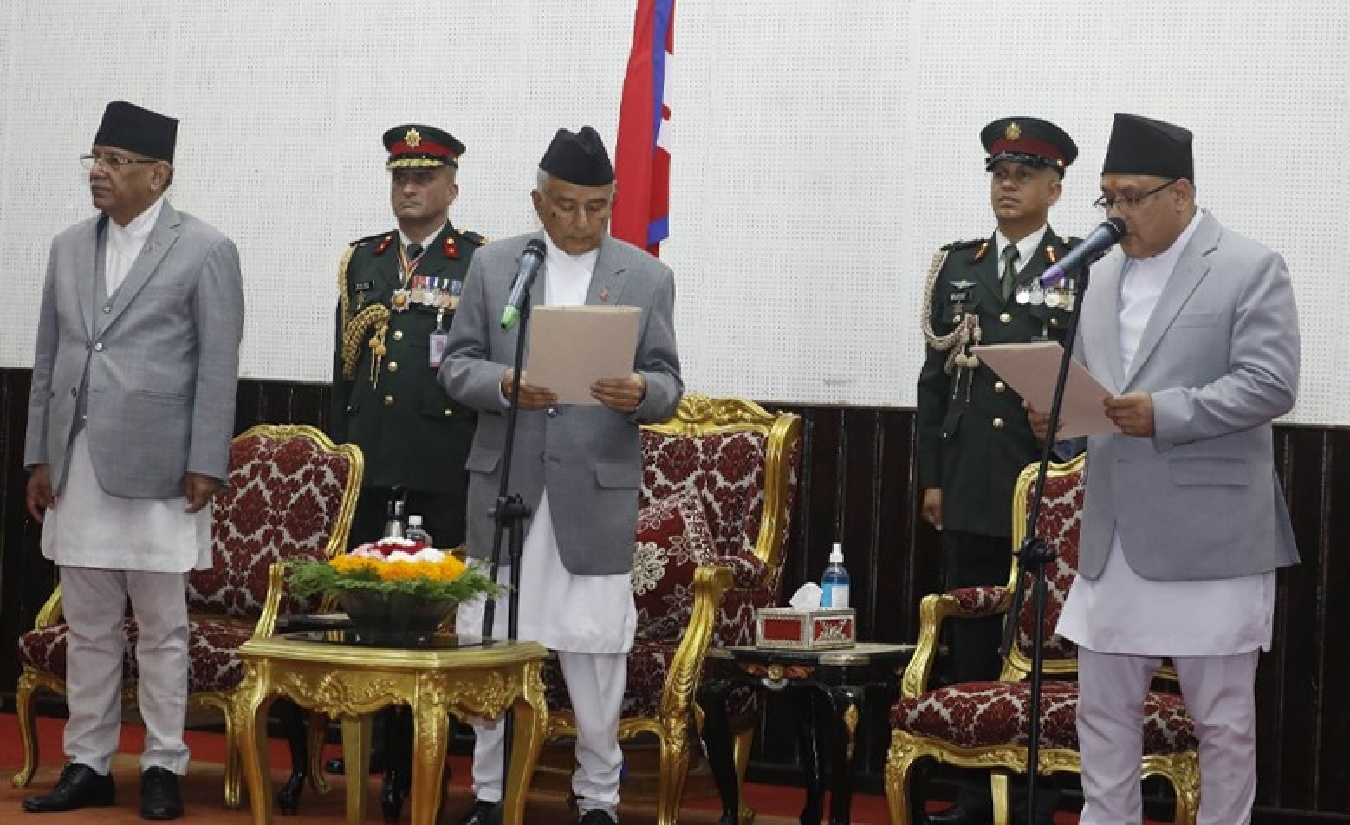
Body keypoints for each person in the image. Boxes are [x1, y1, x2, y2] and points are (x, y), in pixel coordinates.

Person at [1032, 113, 1300, 825]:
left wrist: (1166, 412)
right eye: (1108, 197)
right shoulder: (1097, 275)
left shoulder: (1249, 266)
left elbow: (1272, 383)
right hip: (1114, 534)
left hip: (1212, 535)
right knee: (1102, 713)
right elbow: (1094, 391)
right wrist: (1058, 420)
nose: (1116, 213)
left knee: (1222, 721)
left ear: (1180, 194)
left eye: (1131, 196)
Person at [442, 126, 682, 825]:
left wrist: (640, 390)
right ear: (539, 202)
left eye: (598, 207)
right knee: (490, 644)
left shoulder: (646, 276)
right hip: (508, 489)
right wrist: (504, 383)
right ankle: (491, 793)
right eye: (568, 206)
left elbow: (669, 381)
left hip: (594, 495)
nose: (583, 221)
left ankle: (598, 797)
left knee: (595, 651)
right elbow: (457, 366)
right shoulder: (496, 266)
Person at [21, 100, 245, 820]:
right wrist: (39, 456)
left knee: (162, 630)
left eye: (116, 161)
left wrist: (206, 459)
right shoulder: (67, 247)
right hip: (77, 466)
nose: (100, 172)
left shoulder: (205, 249)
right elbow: (50, 358)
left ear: (159, 174)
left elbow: (218, 367)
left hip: (161, 472)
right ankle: (86, 761)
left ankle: (162, 764)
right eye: (95, 158)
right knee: (87, 626)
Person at [915, 116, 1078, 825]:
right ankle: (973, 795)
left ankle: (1038, 795)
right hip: (973, 478)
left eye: (1023, 175)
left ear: (1055, 187)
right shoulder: (959, 266)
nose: (1007, 186)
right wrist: (933, 478)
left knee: (1040, 645)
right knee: (974, 643)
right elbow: (933, 383)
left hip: (1046, 481)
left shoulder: (1079, 266)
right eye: (999, 175)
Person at [319, 124, 485, 815]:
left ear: (452, 187)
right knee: (372, 613)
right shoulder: (365, 259)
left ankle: (425, 748)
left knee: (430, 617)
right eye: (400, 177)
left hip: (442, 465)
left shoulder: (476, 261)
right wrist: (342, 459)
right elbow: (345, 373)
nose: (410, 188)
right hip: (374, 462)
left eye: (424, 177)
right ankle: (380, 741)